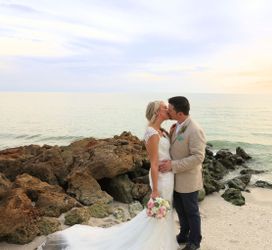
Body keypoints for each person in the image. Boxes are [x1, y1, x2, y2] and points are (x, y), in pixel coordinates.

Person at [38, 100, 178, 250]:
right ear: (157, 112)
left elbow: (169, 152)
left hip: (169, 176)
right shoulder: (152, 133)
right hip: (161, 179)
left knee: (165, 210)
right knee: (157, 212)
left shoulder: (163, 131)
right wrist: (155, 190)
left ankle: (163, 240)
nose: (168, 109)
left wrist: (173, 133)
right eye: (165, 108)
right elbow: (154, 163)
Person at [159, 96, 206, 250]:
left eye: (170, 109)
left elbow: (198, 157)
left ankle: (195, 241)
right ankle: (184, 234)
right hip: (175, 178)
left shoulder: (194, 129)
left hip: (188, 179)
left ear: (179, 113)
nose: (168, 111)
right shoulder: (176, 125)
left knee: (192, 212)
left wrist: (173, 165)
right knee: (180, 209)